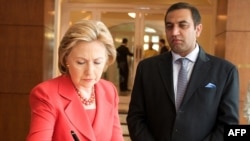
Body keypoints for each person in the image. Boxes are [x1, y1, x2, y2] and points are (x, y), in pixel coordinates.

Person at [127, 2, 239, 141]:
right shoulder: (147, 68)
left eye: (182, 25)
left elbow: (229, 125)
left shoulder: (225, 71)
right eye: (169, 26)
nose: (174, 32)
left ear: (198, 29)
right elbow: (135, 118)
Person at [26, 19, 124, 141]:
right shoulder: (46, 94)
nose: (90, 71)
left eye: (97, 62)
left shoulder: (109, 91)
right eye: (81, 62)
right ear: (66, 59)